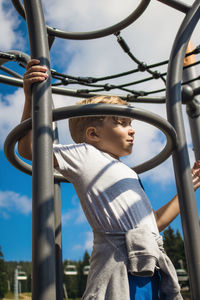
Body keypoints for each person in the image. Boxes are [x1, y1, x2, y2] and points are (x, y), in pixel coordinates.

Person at [18, 59, 200, 300]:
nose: (132, 129)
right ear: (93, 134)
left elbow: (153, 223)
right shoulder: (85, 154)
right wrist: (31, 99)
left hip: (151, 268)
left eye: (130, 123)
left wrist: (188, 188)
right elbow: (30, 149)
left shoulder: (129, 173)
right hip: (120, 267)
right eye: (122, 123)